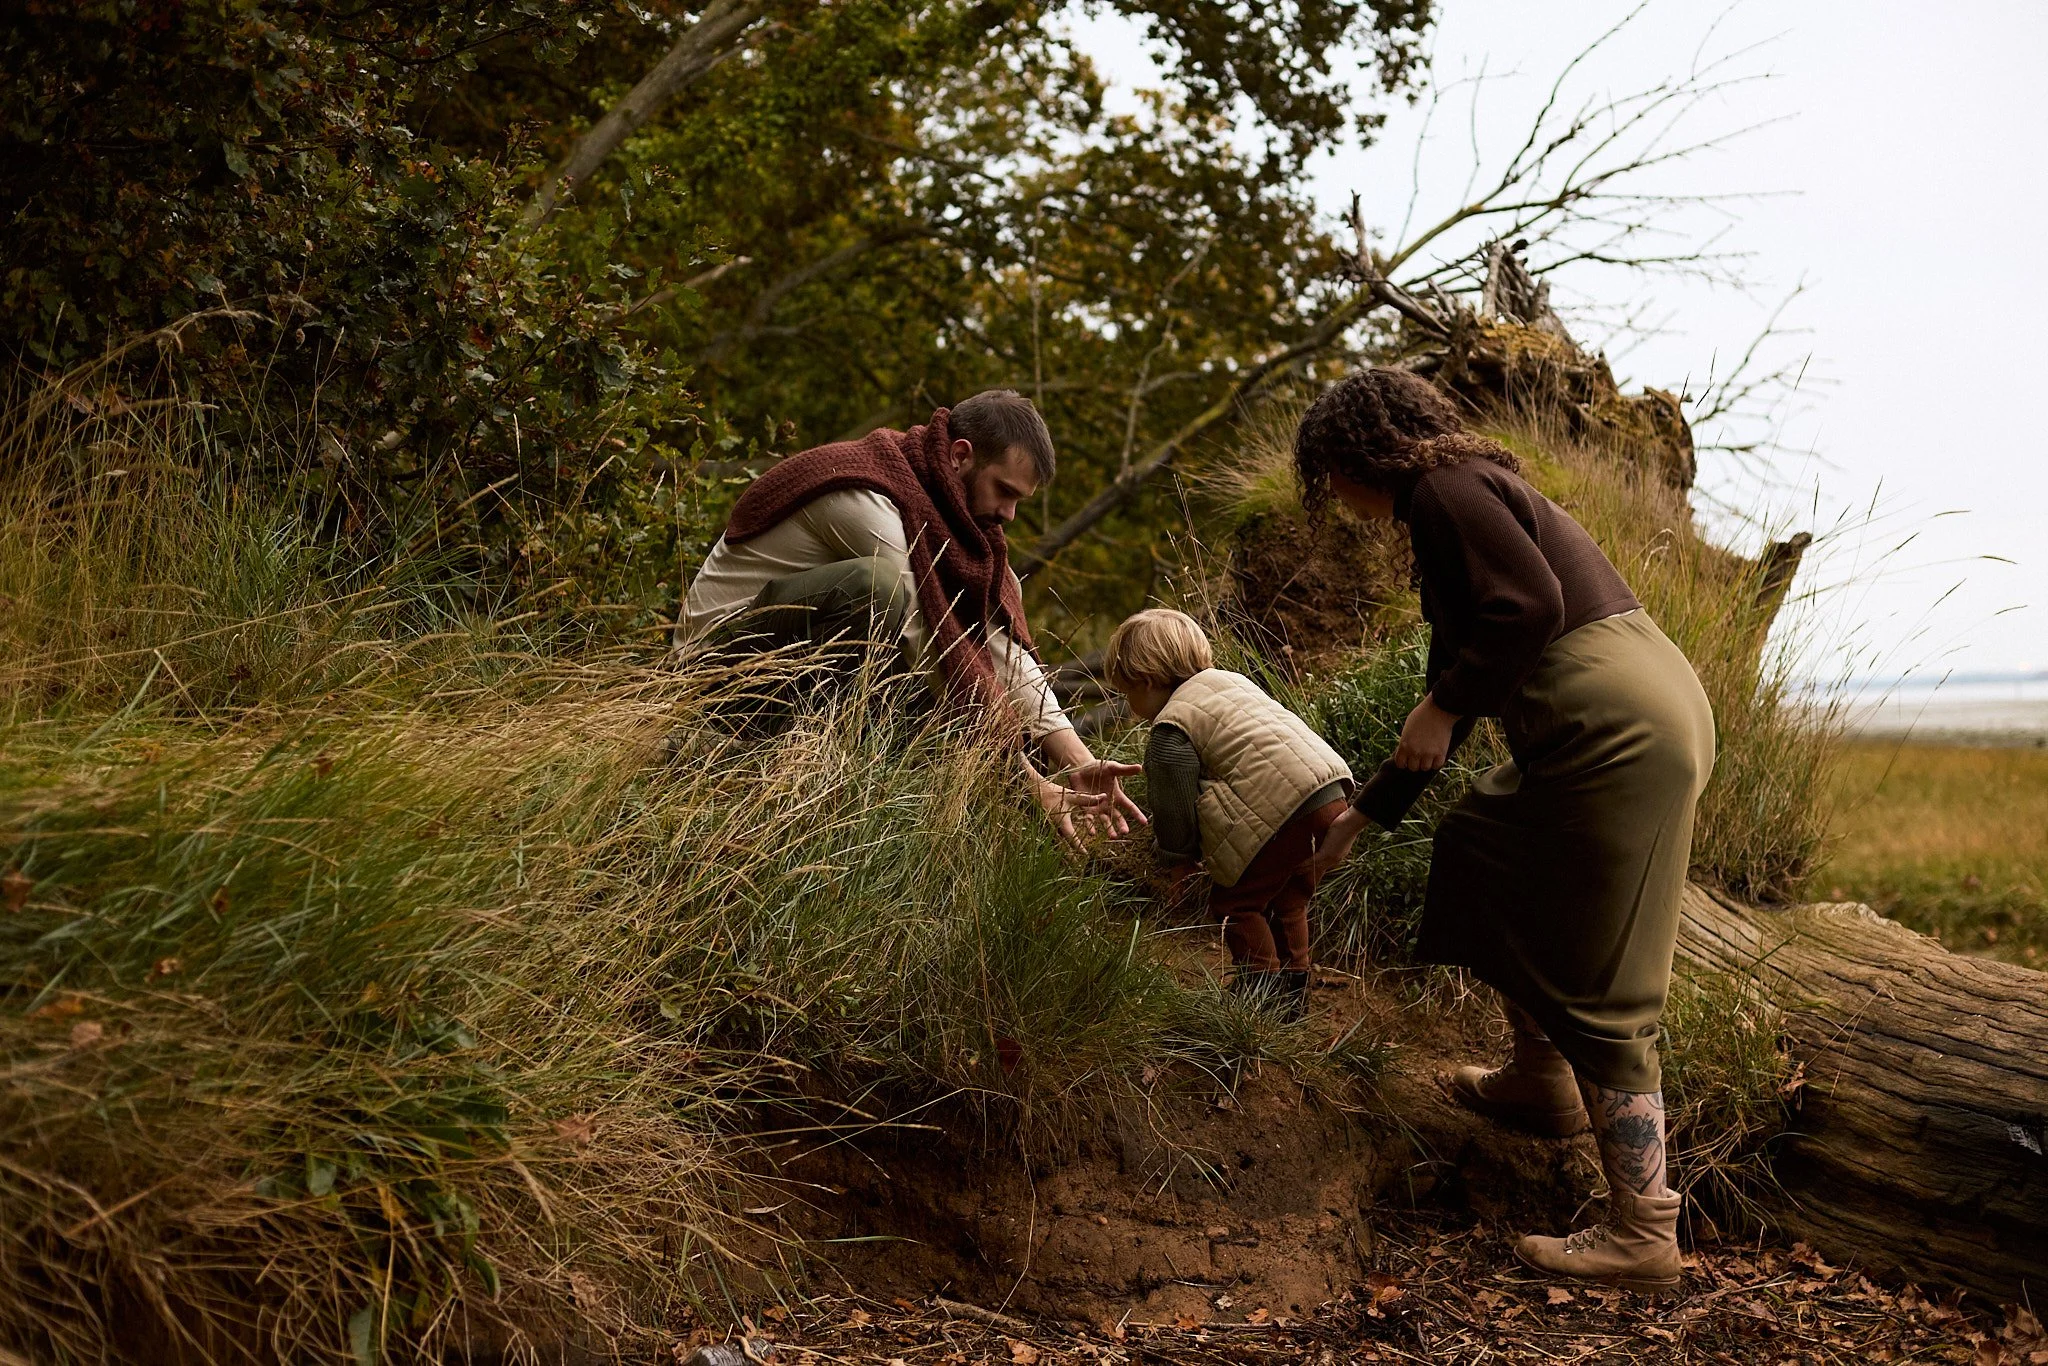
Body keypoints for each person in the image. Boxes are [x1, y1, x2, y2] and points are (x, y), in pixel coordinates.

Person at [1295, 368, 1716, 1291]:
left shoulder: (1444, 491)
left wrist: (1443, 705)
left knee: (1605, 979)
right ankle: (1539, 1079)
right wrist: (1362, 819)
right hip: (1635, 705)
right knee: (1480, 846)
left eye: (1327, 474)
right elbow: (1460, 688)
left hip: (1614, 726)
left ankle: (1645, 1233)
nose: (1330, 495)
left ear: (1358, 455)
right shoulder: (1458, 501)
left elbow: (1528, 613)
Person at [677, 389, 1143, 843]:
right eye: (1004, 490)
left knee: (969, 652)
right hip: (712, 681)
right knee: (877, 591)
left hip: (790, 669)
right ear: (960, 455)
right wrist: (1021, 776)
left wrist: (1076, 758)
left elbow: (1000, 639)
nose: (1010, 513)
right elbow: (930, 637)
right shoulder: (863, 494)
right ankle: (781, 760)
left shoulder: (950, 515)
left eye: (1020, 499)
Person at [1103, 608, 1353, 1019]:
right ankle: (1294, 995)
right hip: (1331, 792)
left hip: (1285, 811)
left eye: (1127, 693)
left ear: (1146, 681)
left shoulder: (1171, 727)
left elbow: (1173, 804)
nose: (1130, 707)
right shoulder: (1234, 685)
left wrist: (1177, 859)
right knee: (1288, 898)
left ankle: (1259, 996)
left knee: (1237, 903)